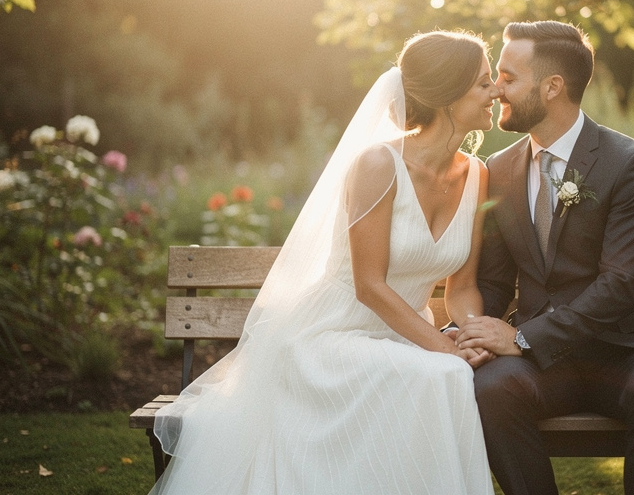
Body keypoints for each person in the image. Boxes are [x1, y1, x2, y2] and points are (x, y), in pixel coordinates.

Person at [148, 30, 499, 495]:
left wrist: (474, 334)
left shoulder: (477, 174)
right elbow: (368, 285)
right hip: (329, 335)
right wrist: (444, 347)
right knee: (446, 372)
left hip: (406, 337)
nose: (495, 91)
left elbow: (461, 286)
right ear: (448, 94)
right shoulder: (379, 164)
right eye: (483, 82)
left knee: (450, 371)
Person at [455, 21, 634, 495]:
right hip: (547, 363)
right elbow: (495, 281)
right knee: (489, 390)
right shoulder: (500, 170)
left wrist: (525, 337)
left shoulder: (631, 164)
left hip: (630, 347)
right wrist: (470, 331)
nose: (495, 89)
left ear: (552, 87)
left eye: (508, 77)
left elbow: (623, 284)